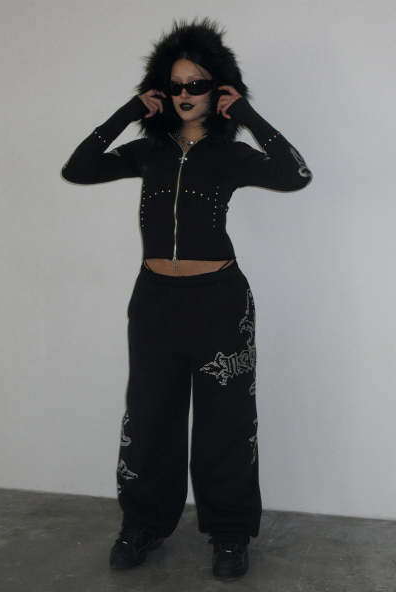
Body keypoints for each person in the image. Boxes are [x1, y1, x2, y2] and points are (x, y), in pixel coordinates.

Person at [61, 16, 313, 580]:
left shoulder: (230, 156)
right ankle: (143, 525)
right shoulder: (148, 153)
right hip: (155, 302)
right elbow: (77, 169)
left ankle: (230, 534)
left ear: (218, 88)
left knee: (226, 423)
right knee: (151, 418)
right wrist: (130, 111)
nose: (184, 94)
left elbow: (296, 174)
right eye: (174, 85)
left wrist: (246, 115)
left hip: (220, 302)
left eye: (196, 84)